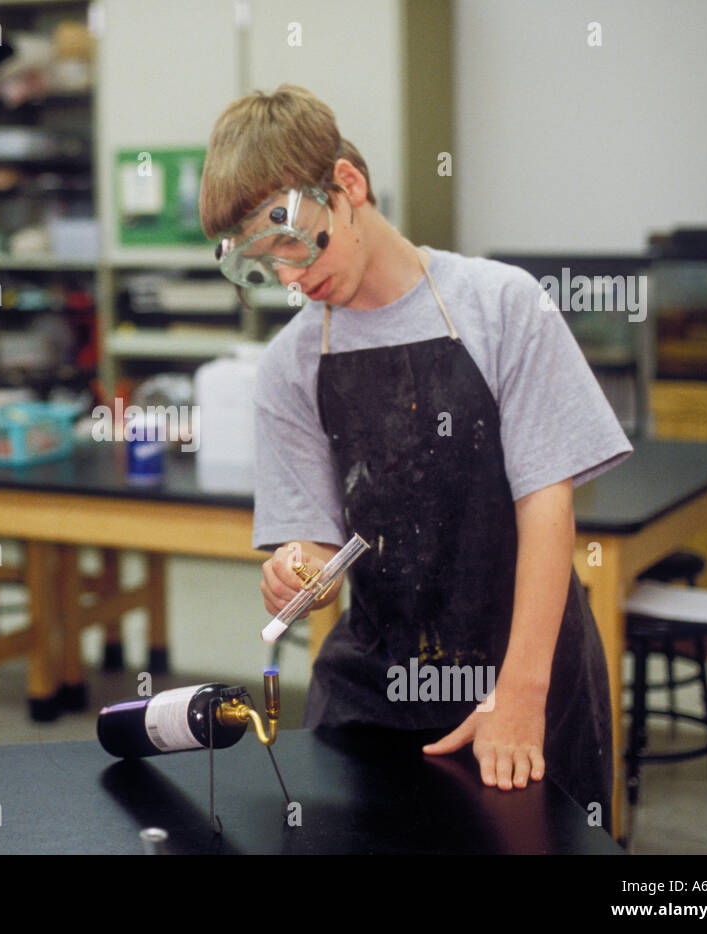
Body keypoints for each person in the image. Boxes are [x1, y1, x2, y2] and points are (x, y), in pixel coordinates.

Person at [200, 86, 631, 819]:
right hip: (378, 678)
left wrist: (520, 693)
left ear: (347, 186)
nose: (292, 280)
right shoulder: (290, 365)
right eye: (265, 267)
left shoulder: (502, 305)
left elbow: (545, 505)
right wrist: (298, 569)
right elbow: (316, 542)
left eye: (297, 247)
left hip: (523, 658)